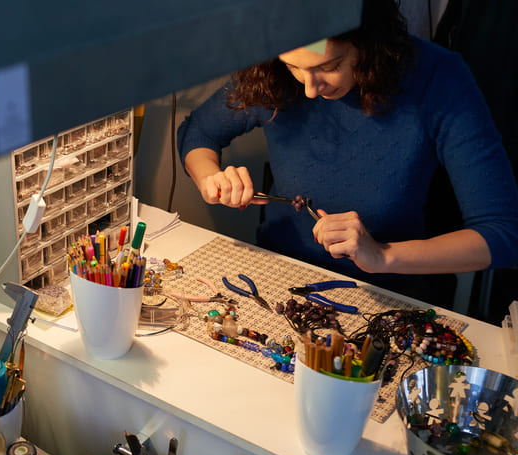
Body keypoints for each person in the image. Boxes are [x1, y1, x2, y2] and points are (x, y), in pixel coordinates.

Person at [177, 0, 518, 306]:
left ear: (368, 43)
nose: (309, 90)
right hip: (279, 280)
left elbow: (503, 233)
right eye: (294, 66)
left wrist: (383, 256)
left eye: (329, 66)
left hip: (389, 297)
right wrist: (212, 179)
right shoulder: (272, 72)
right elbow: (198, 132)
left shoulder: (437, 78)